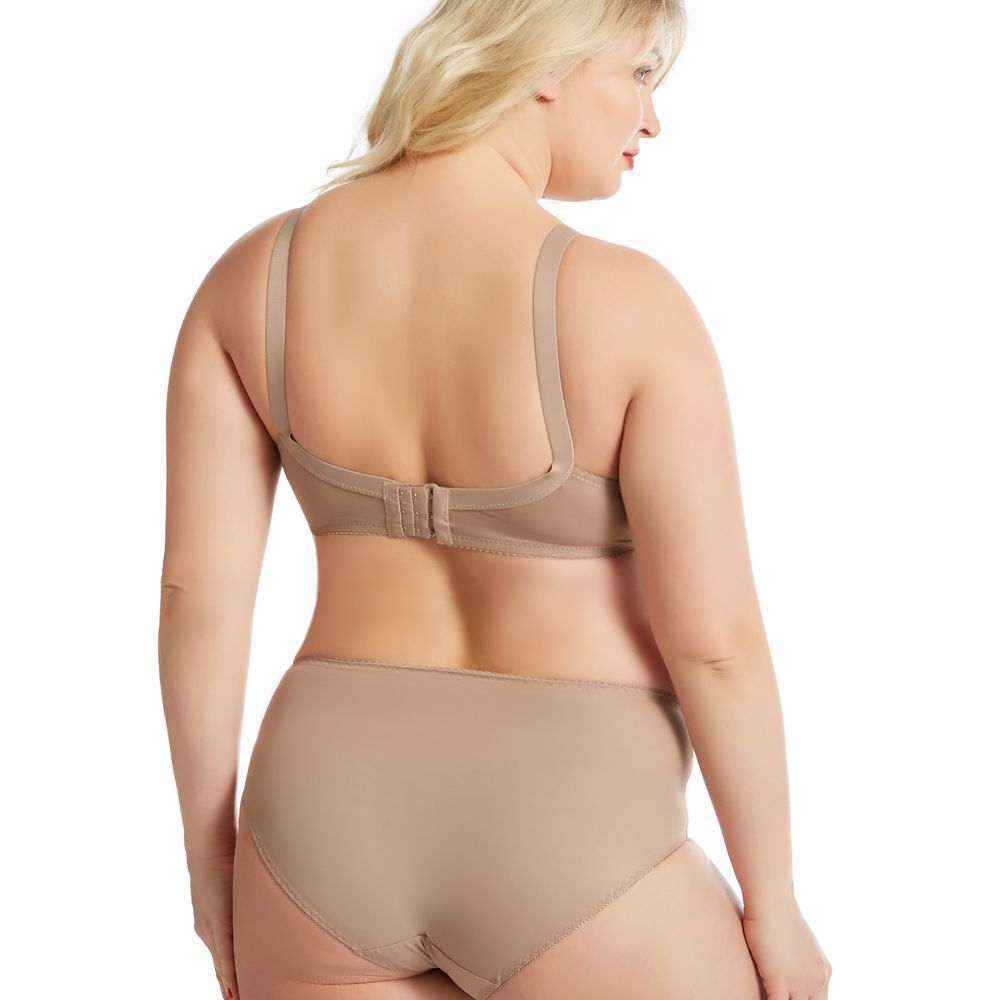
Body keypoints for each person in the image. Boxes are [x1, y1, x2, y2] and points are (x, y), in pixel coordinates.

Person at [158, 1, 832, 998]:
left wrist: (211, 858)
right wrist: (772, 901)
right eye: (640, 74)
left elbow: (197, 602)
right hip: (575, 822)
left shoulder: (249, 280)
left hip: (319, 820)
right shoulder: (627, 303)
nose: (652, 120)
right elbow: (716, 645)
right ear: (545, 66)